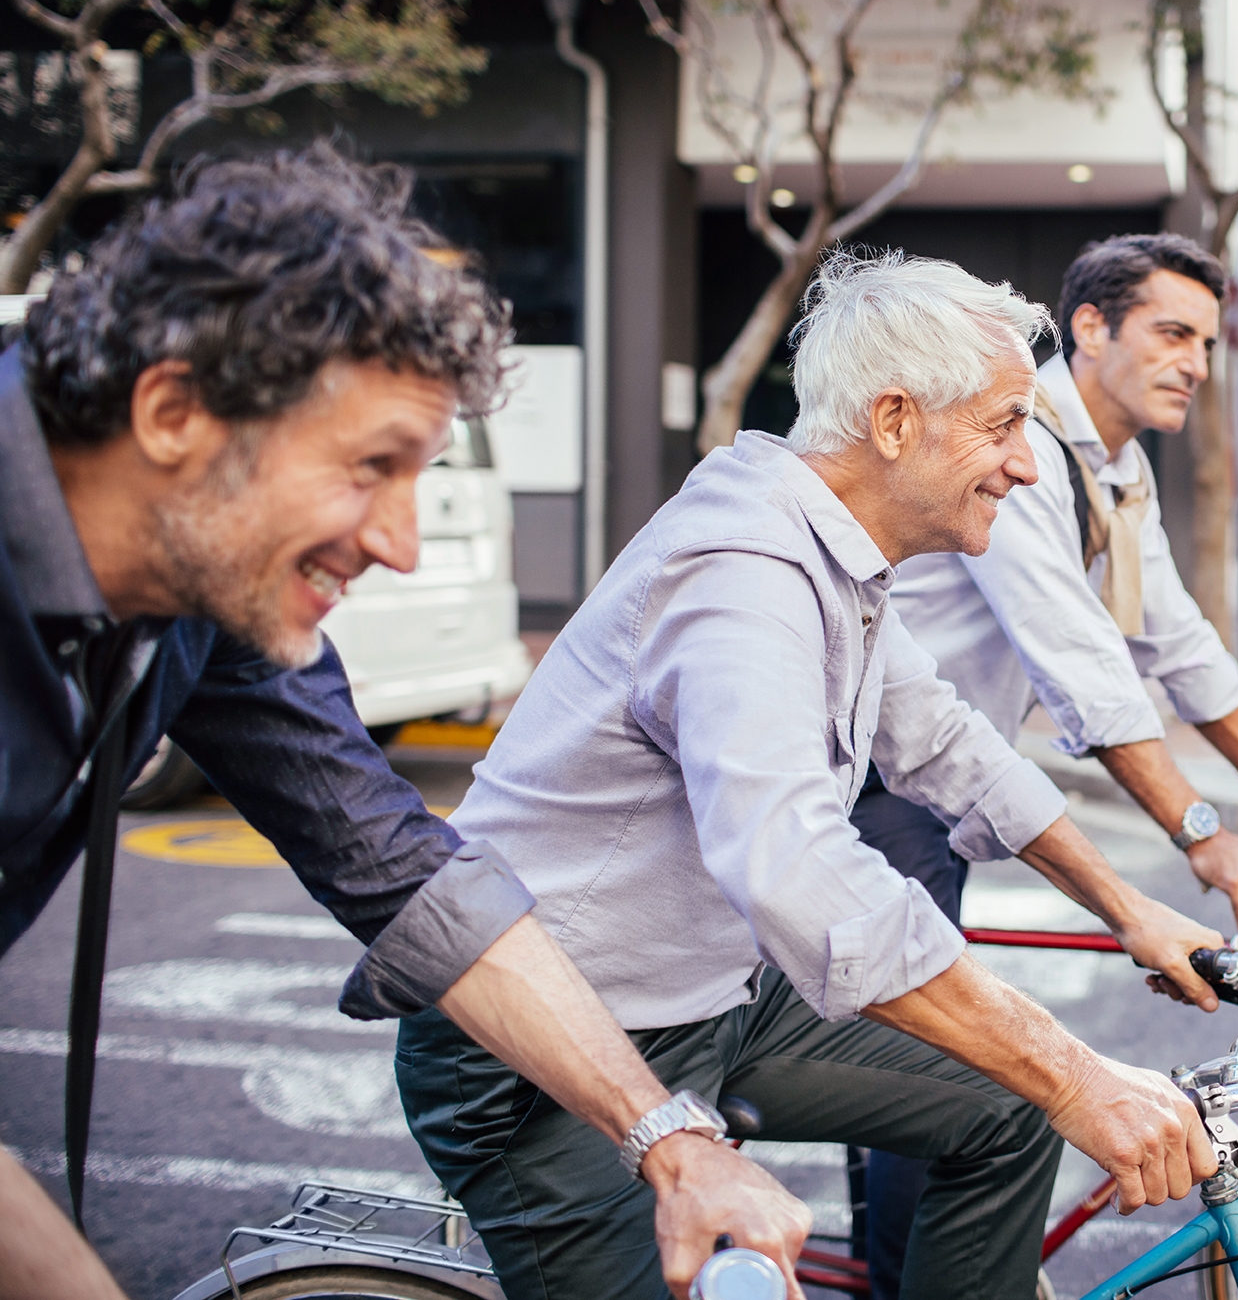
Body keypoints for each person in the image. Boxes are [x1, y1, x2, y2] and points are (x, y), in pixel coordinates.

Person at [0, 146, 808, 1300]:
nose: (401, 543)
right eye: (369, 468)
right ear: (172, 411)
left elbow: (399, 865)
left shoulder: (203, 601)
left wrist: (668, 1139)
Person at [394, 251, 1226, 1300]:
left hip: (706, 1005)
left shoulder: (838, 553)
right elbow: (797, 867)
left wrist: (1127, 909)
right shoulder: (744, 575)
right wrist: (1075, 1073)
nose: (1025, 467)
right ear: (891, 423)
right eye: (1003, 424)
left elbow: (951, 748)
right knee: (1040, 1082)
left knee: (1006, 1106)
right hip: (544, 1053)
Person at [847, 231, 1238, 1297]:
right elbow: (1080, 662)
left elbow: (1172, 636)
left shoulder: (1115, 469)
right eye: (1170, 333)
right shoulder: (1019, 441)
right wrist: (1200, 834)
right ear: (1089, 329)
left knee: (910, 1049)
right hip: (878, 787)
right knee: (929, 1076)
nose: (1192, 364)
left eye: (1206, 344)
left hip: (945, 772)